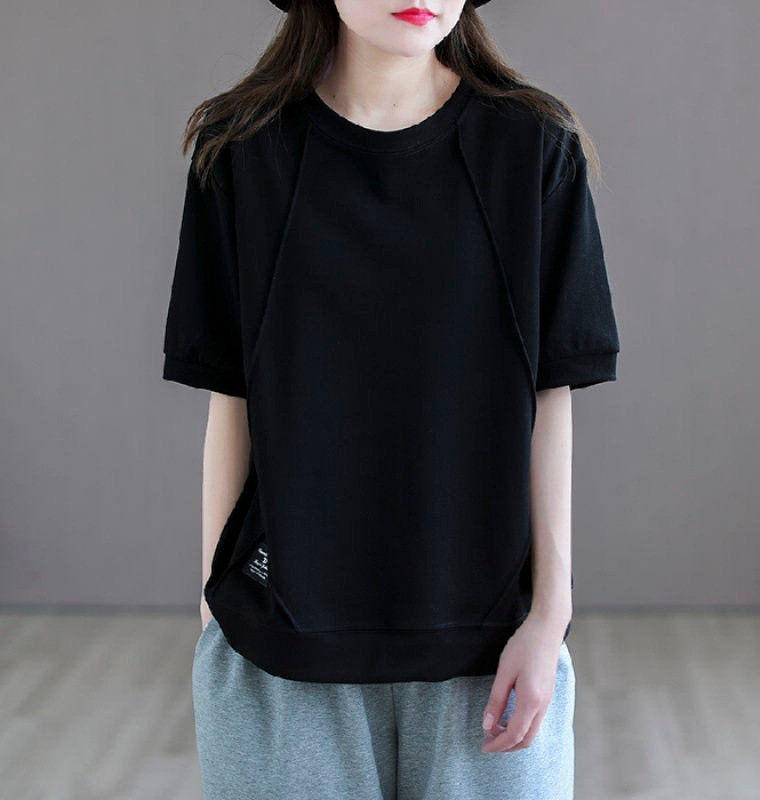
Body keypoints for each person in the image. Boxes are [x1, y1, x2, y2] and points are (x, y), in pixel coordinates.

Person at [161, 0, 620, 797]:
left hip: (492, 648)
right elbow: (232, 398)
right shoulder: (241, 151)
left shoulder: (535, 149)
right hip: (279, 644)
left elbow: (551, 399)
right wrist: (213, 613)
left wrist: (549, 618)